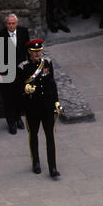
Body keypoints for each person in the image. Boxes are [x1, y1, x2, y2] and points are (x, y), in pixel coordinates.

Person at [17, 39, 62, 179]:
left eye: (39, 51)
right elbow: (18, 88)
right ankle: (36, 162)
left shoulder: (47, 63)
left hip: (47, 106)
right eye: (34, 51)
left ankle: (52, 167)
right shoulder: (23, 67)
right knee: (34, 135)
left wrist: (56, 101)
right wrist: (25, 90)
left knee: (50, 136)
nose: (37, 54)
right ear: (29, 52)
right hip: (32, 108)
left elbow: (52, 83)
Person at [0, 14, 29, 134]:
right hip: (6, 72)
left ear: (17, 23)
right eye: (9, 23)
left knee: (19, 96)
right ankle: (11, 122)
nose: (11, 25)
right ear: (6, 24)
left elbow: (27, 51)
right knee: (8, 98)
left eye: (13, 23)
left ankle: (18, 118)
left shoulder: (24, 32)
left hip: (20, 71)